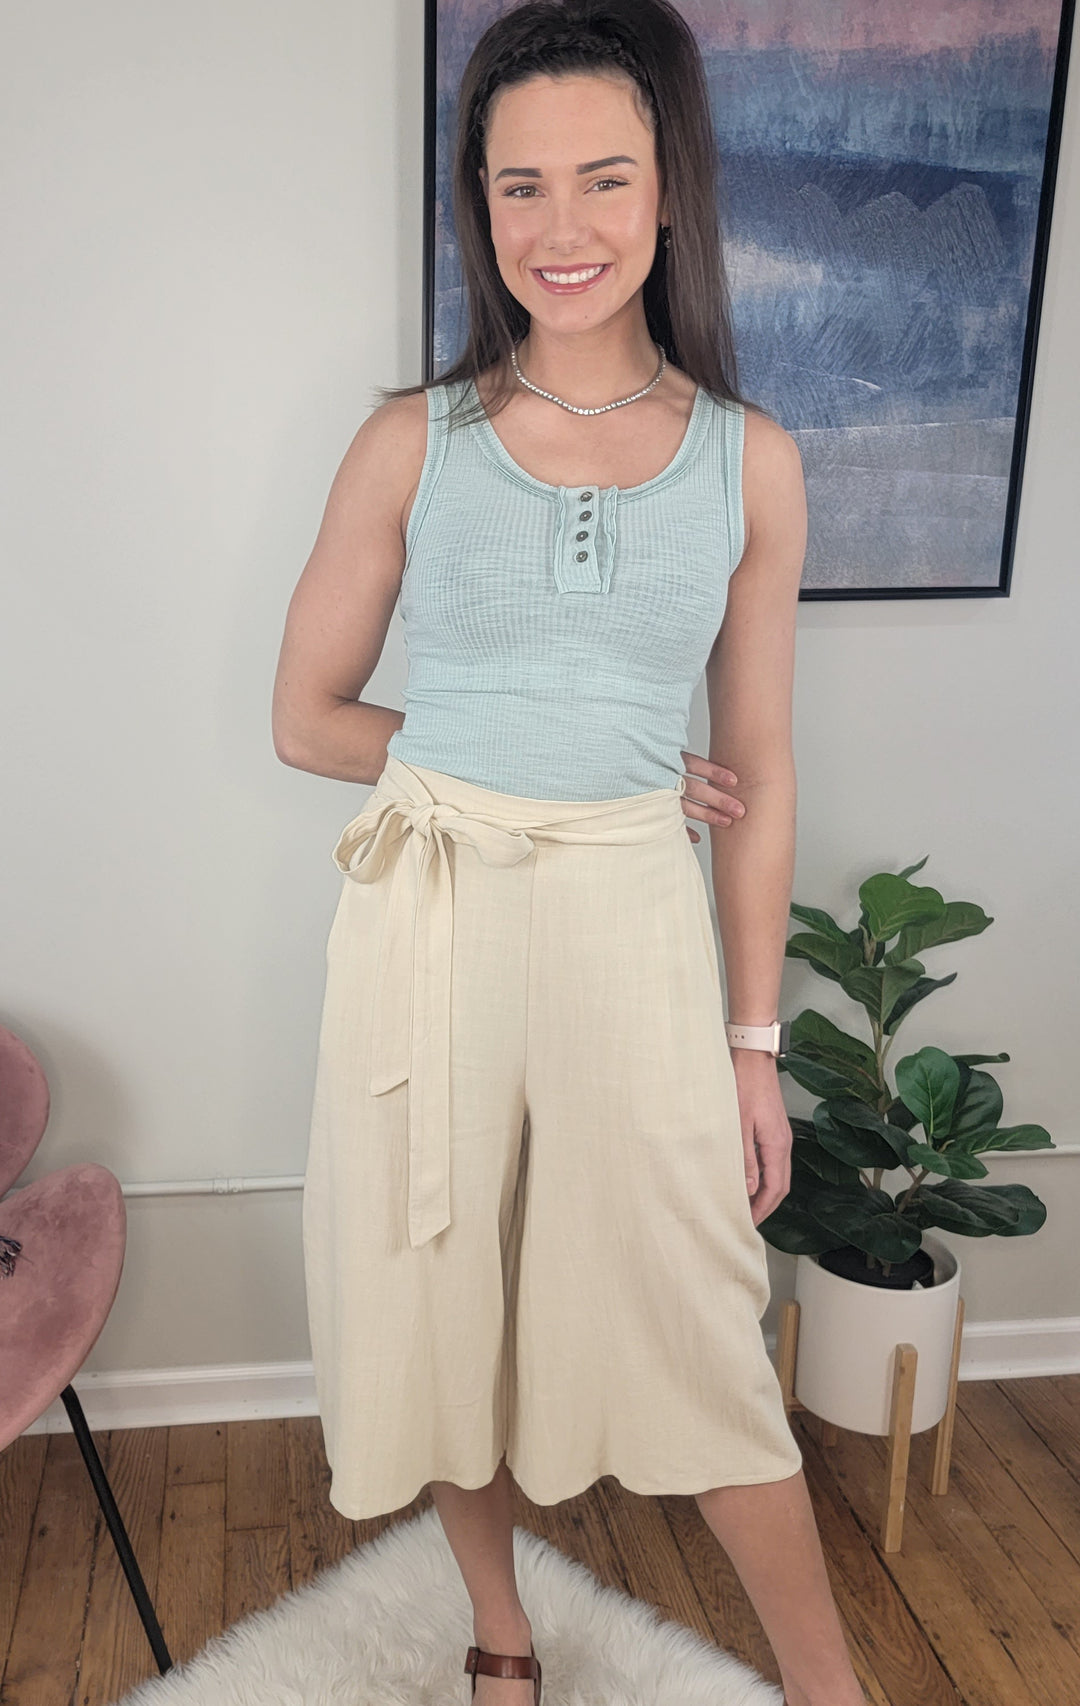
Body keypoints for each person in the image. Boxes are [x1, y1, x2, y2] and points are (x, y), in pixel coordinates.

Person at [272, 4, 868, 1703]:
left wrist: (755, 1051)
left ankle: (832, 1688)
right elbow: (309, 716)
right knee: (433, 1295)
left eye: (605, 178)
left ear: (672, 187)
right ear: (480, 204)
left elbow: (759, 771)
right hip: (431, 917)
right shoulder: (414, 440)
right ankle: (502, 1630)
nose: (562, 229)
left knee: (699, 1320)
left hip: (630, 916)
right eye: (519, 186)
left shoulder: (754, 462)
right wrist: (488, 759)